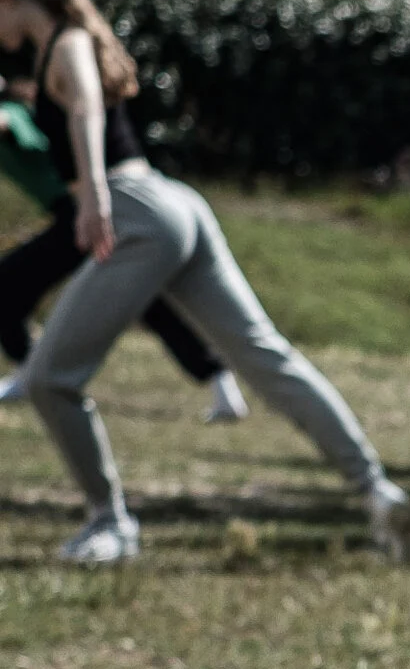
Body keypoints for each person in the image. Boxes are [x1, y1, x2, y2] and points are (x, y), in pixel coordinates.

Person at [0, 0, 410, 568]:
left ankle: (110, 524)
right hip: (174, 205)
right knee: (266, 357)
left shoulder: (65, 45)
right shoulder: (55, 47)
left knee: (50, 380)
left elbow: (87, 105)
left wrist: (91, 195)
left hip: (133, 210)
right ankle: (378, 489)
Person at [0, 85, 250, 423]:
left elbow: (9, 124)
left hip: (83, 212)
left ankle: (32, 374)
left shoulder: (14, 112)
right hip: (73, 215)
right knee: (149, 304)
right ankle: (222, 385)